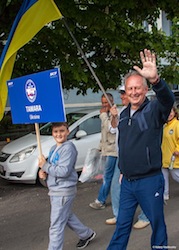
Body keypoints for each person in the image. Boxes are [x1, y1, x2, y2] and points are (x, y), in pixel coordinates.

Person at [107, 49, 174, 249]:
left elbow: (167, 100)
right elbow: (123, 144)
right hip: (127, 182)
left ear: (145, 90)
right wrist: (122, 167)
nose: (134, 92)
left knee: (157, 223)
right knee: (122, 226)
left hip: (150, 181)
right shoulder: (124, 114)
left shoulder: (154, 109)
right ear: (125, 92)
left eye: (138, 88)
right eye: (130, 89)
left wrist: (156, 80)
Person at [38, 122, 96, 250]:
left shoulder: (69, 148)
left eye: (62, 131)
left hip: (63, 191)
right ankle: (86, 234)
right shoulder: (53, 148)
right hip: (55, 190)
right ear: (52, 133)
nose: (59, 134)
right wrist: (44, 172)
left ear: (68, 131)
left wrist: (45, 166)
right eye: (56, 131)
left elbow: (64, 171)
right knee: (67, 216)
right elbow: (53, 168)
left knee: (56, 225)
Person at [89, 93, 118, 210]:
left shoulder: (114, 114)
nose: (104, 105)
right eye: (102, 103)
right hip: (107, 150)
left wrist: (103, 116)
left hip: (113, 151)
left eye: (106, 102)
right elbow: (104, 134)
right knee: (110, 177)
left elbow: (111, 130)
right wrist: (100, 147)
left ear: (111, 101)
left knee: (107, 177)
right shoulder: (106, 114)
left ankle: (101, 200)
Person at [106, 86, 129, 225]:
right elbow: (113, 129)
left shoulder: (141, 111)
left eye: (123, 94)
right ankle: (119, 215)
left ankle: (146, 216)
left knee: (140, 187)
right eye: (121, 94)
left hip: (136, 156)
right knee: (116, 185)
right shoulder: (122, 111)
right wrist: (114, 116)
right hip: (121, 155)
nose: (121, 97)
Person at [162, 105, 179, 201]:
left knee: (176, 175)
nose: (169, 114)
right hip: (164, 157)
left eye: (171, 112)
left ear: (174, 112)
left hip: (173, 157)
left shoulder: (177, 124)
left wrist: (178, 149)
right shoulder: (164, 126)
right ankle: (165, 194)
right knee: (163, 177)